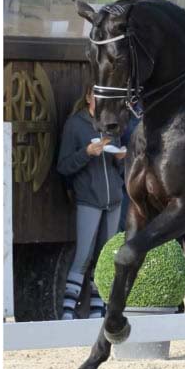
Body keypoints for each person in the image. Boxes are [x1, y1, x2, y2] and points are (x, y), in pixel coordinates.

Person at [117, 110, 185, 312]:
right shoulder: (137, 122)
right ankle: (169, 302)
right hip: (167, 205)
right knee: (171, 256)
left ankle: (173, 294)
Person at [57, 84, 126, 320]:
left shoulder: (112, 125)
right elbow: (63, 166)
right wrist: (86, 153)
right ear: (88, 97)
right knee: (83, 256)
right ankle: (68, 312)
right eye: (98, 97)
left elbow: (120, 168)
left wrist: (119, 159)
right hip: (89, 199)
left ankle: (98, 312)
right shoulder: (75, 125)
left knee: (106, 258)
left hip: (114, 200)